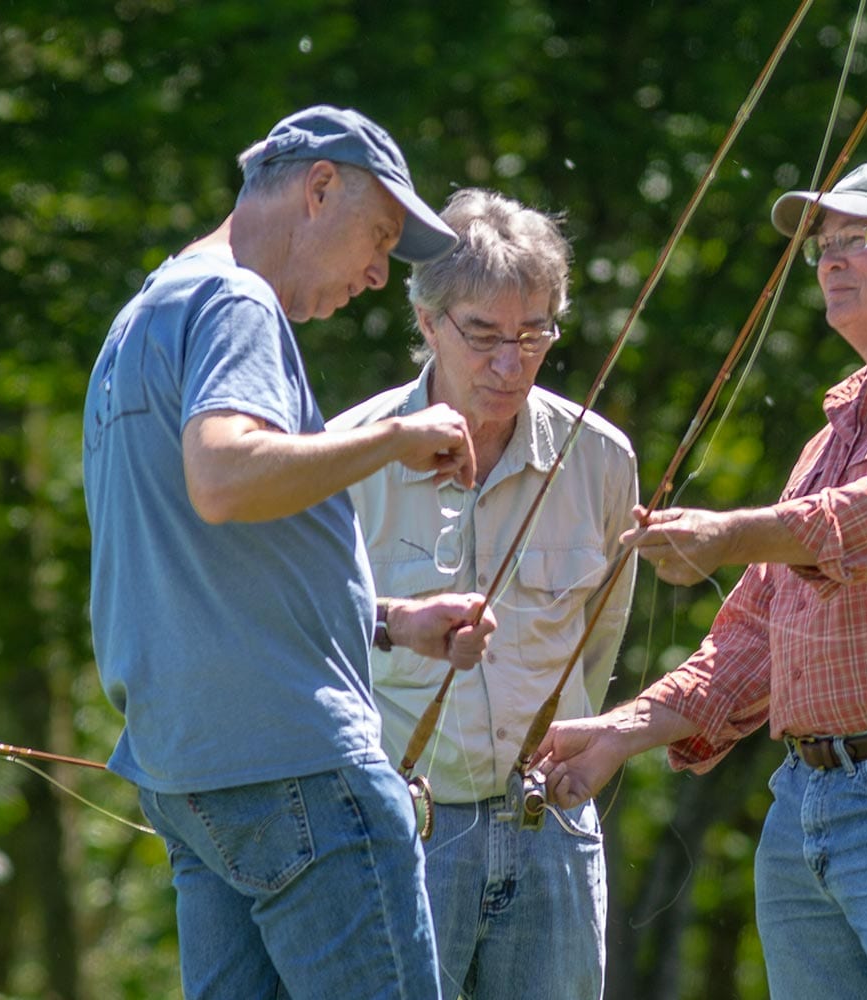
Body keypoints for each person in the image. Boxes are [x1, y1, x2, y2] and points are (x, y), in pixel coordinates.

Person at [537, 161, 867, 1000]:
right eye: (824, 245)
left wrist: (733, 532)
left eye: (859, 238)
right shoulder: (834, 432)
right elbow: (751, 636)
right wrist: (620, 731)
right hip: (806, 801)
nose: (830, 260)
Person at [81, 105, 499, 1000]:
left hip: (192, 776)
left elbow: (195, 559)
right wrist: (394, 438)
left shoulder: (144, 315)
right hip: (296, 770)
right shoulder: (237, 298)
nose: (381, 273)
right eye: (380, 236)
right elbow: (224, 477)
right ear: (319, 188)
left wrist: (387, 624)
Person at [329, 187, 638, 1000]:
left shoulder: (602, 459)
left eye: (534, 335)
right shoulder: (343, 455)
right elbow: (312, 638)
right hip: (399, 827)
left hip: (551, 827)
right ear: (428, 324)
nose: (512, 363)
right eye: (486, 336)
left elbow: (601, 639)